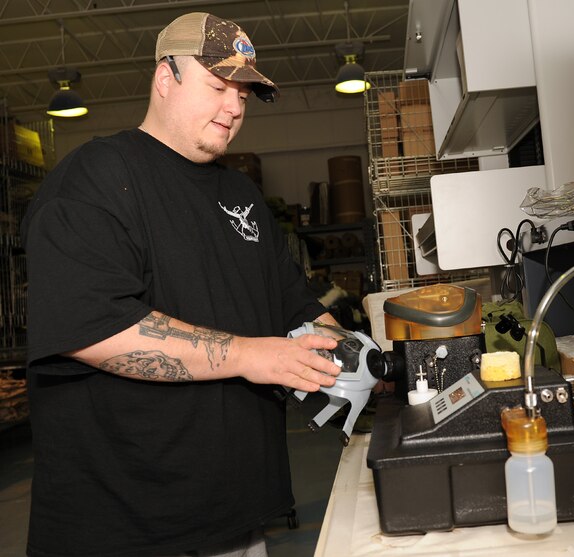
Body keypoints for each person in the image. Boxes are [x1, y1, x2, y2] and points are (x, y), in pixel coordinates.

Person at [21, 12, 343, 557]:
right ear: (164, 78)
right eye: (218, 86)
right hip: (128, 527)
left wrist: (363, 363)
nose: (234, 107)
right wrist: (247, 355)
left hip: (237, 517)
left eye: (243, 93)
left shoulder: (241, 196)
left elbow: (295, 307)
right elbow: (92, 327)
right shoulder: (95, 178)